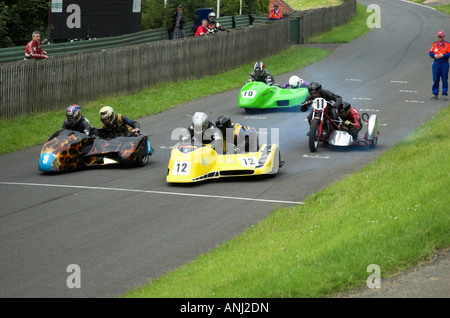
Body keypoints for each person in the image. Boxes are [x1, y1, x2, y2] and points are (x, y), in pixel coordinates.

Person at [429, 30, 450, 100]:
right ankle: (435, 93)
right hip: (436, 63)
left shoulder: (447, 44)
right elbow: (430, 52)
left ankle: (444, 94)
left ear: (444, 36)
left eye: (441, 36)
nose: (440, 38)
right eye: (439, 36)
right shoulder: (435, 44)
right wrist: (434, 56)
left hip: (444, 63)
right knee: (435, 79)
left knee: (444, 79)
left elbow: (449, 54)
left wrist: (442, 55)